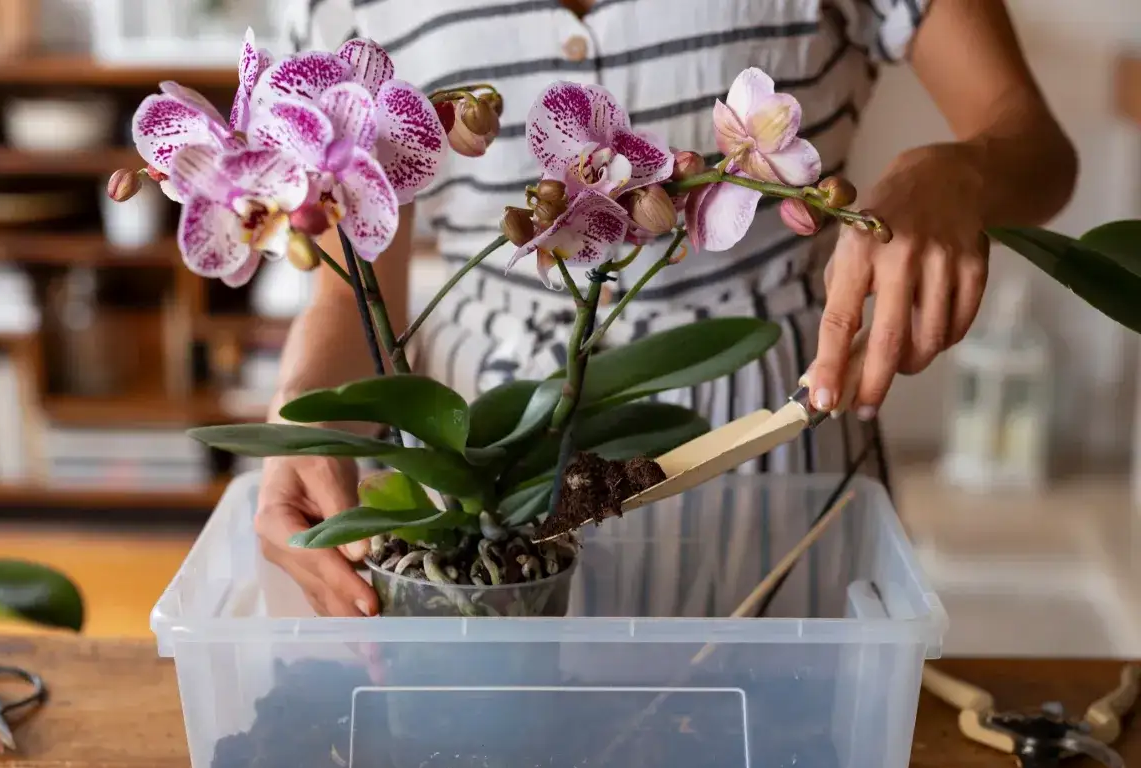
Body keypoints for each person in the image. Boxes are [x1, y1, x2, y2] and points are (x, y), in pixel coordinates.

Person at [259, 0, 1077, 617]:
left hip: (770, 444)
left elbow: (1034, 141)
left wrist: (956, 172)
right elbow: (357, 273)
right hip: (481, 472)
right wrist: (304, 418)